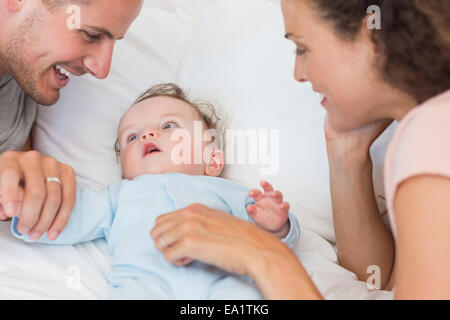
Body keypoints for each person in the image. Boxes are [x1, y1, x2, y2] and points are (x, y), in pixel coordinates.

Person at [150, 0, 450, 299]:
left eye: (302, 48)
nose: (298, 73)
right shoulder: (428, 125)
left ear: (372, 35)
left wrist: (264, 256)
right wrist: (347, 152)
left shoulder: (431, 136)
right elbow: (378, 279)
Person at [11, 83, 300, 299]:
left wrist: (276, 225)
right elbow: (70, 215)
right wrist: (28, 207)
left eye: (168, 125)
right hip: (143, 283)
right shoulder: (119, 196)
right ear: (124, 167)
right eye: (132, 137)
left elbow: (264, 243)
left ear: (212, 160)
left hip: (221, 279)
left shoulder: (226, 191)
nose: (148, 135)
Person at [0, 0, 143, 240]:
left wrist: (27, 182)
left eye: (114, 42)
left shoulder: (24, 72)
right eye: (91, 34)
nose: (102, 70)